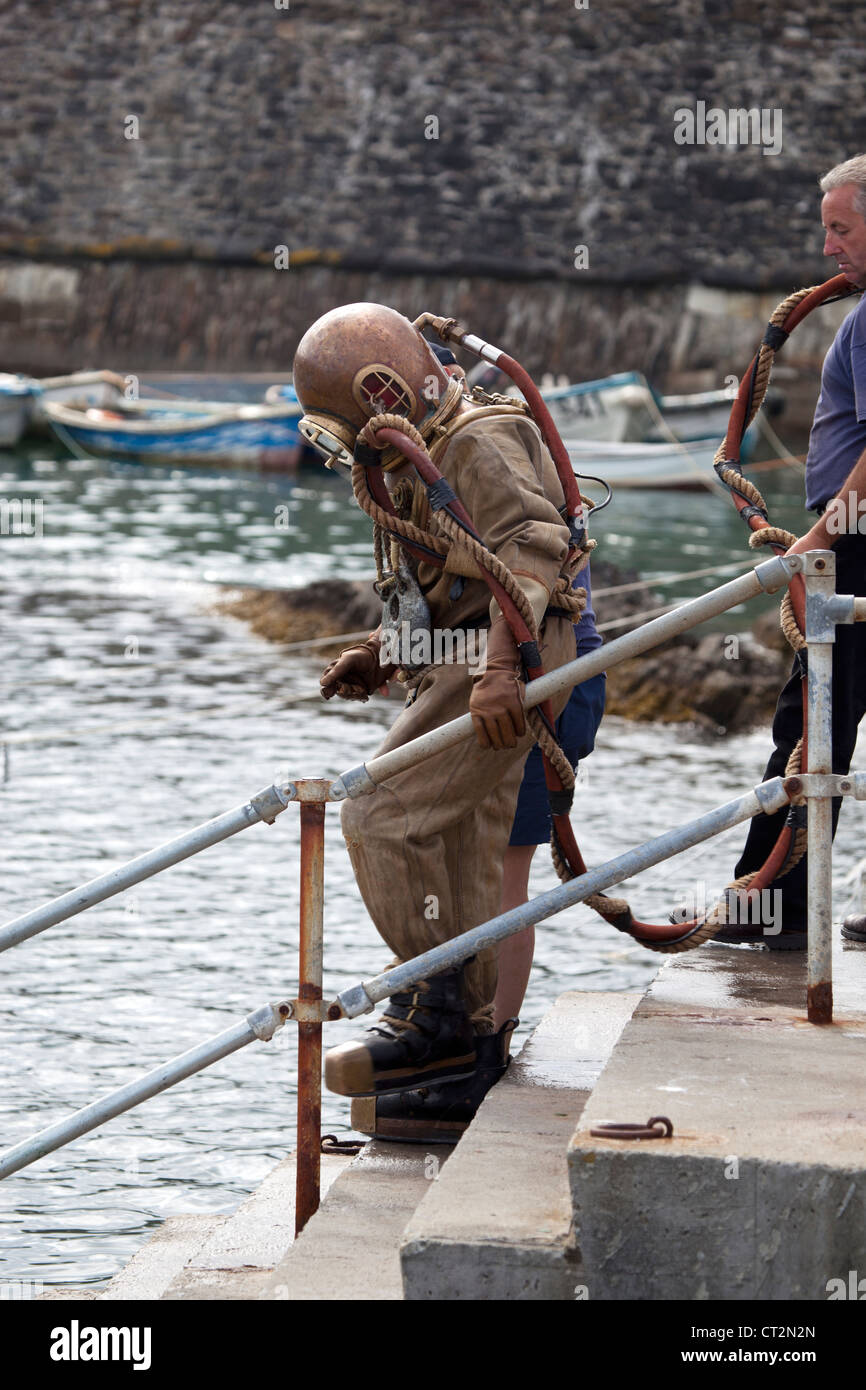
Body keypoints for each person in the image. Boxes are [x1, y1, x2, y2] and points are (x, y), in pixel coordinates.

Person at [293, 301, 587, 1109]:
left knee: (377, 813)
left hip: (516, 650)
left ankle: (435, 1005)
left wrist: (500, 671)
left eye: (337, 428)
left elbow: (529, 548)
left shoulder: (475, 440)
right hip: (479, 651)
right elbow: (444, 583)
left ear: (382, 393)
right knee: (462, 843)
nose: (341, 448)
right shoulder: (422, 450)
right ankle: (465, 1050)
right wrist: (383, 652)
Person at [716, 154, 866, 948]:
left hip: (855, 552)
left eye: (841, 229)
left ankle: (766, 909)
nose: (828, 248)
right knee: (820, 725)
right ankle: (774, 903)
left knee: (811, 727)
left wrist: (815, 543)